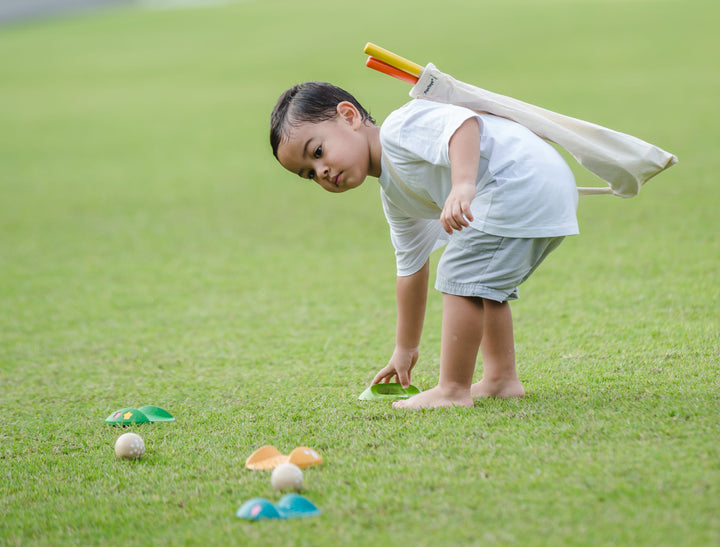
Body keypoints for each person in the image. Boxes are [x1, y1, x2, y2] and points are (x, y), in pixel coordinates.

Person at [269, 81, 579, 409]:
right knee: (481, 282)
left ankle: (452, 390)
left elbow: (463, 125)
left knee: (460, 272)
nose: (322, 171)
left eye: (317, 152)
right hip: (541, 187)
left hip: (520, 182)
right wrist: (405, 349)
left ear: (349, 117)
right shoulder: (395, 196)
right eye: (309, 174)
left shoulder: (400, 129)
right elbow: (411, 269)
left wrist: (462, 184)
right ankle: (501, 379)